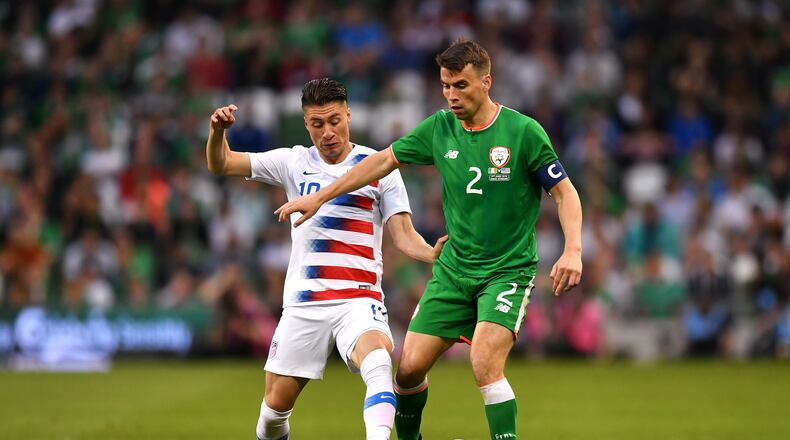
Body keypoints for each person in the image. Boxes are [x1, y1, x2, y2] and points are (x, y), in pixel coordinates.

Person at [275, 39, 583, 440]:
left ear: (486, 81)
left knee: (484, 361)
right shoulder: (440, 128)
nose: (452, 95)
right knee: (407, 371)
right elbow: (382, 160)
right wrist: (320, 195)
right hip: (453, 270)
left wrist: (573, 249)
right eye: (445, 86)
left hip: (507, 271)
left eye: (461, 85)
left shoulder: (523, 132)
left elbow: (565, 193)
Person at [206, 78, 447, 440]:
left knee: (379, 361)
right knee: (273, 414)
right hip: (305, 303)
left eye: (334, 121)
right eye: (317, 124)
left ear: (348, 115)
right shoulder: (293, 162)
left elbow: (402, 235)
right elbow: (222, 163)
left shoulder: (379, 167)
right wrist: (217, 132)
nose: (327, 132)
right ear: (306, 124)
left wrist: (432, 254)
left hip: (358, 298)